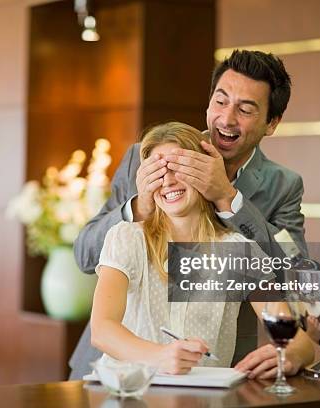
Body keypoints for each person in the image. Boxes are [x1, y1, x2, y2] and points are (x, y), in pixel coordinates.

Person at [70, 50, 307, 379]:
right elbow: (84, 256)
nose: (226, 119)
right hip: (117, 373)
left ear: (272, 123)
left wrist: (228, 197)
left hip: (212, 375)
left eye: (246, 109)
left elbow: (294, 279)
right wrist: (141, 206)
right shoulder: (142, 160)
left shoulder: (280, 192)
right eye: (220, 102)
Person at [90, 122, 314, 375]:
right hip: (130, 392)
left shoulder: (239, 251)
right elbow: (102, 329)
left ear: (205, 171)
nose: (168, 181)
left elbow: (299, 341)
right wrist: (160, 357)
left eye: (178, 168)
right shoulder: (127, 238)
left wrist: (292, 352)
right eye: (158, 172)